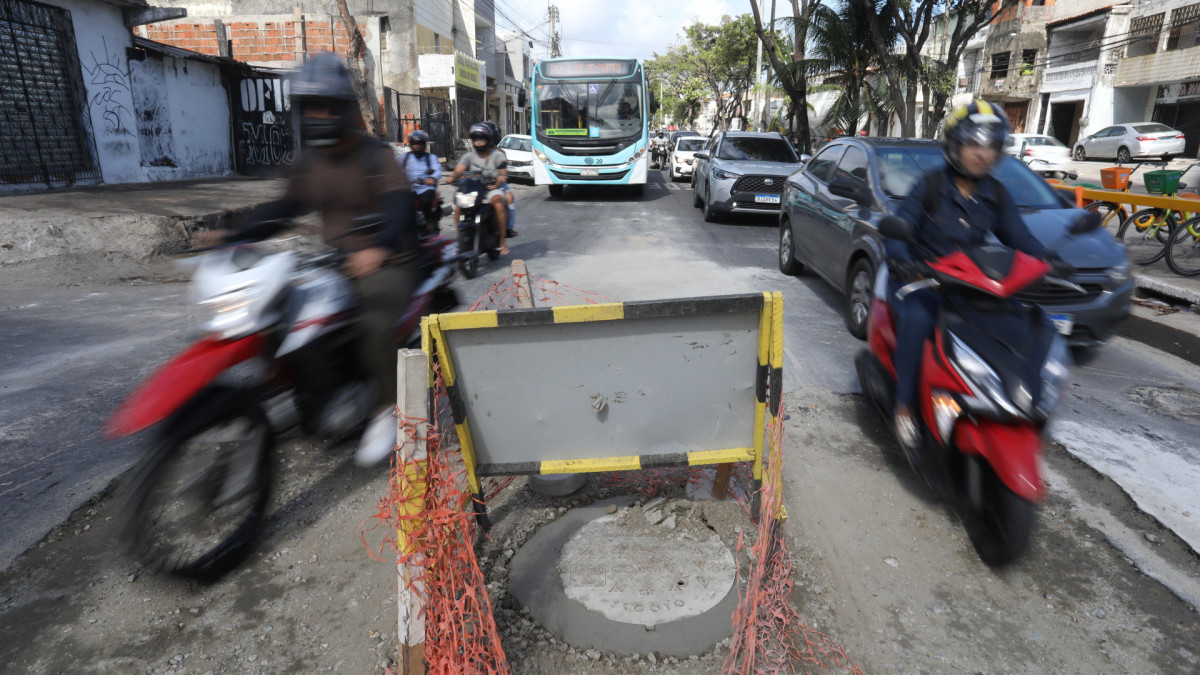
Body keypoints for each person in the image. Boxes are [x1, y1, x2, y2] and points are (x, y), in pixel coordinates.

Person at [194, 53, 418, 467]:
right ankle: (319, 393)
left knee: (373, 323)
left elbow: (401, 206)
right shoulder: (310, 160)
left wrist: (379, 247)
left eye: (325, 105)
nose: (317, 114)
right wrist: (235, 234)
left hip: (389, 261)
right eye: (309, 106)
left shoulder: (375, 155)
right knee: (287, 318)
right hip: (334, 261)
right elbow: (284, 209)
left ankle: (386, 409)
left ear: (343, 108)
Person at [884, 99, 1047, 455]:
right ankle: (904, 406)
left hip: (968, 284)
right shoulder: (929, 186)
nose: (983, 153)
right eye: (974, 143)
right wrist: (903, 262)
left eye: (991, 145)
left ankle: (1020, 401)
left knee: (1034, 322)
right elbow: (896, 233)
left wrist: (1050, 261)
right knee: (918, 317)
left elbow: (1020, 239)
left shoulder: (996, 194)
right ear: (955, 144)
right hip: (921, 281)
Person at [445, 122, 511, 255]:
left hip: (491, 189)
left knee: (498, 204)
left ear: (488, 140)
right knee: (458, 206)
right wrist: (452, 177)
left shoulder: (497, 155)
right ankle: (460, 239)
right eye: (476, 139)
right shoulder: (469, 156)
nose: (479, 142)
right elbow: (458, 170)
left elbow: (503, 172)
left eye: (481, 139)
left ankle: (502, 242)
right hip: (473, 191)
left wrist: (500, 178)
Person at [401, 129, 442, 233]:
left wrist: (432, 178)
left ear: (424, 145)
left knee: (425, 200)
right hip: (410, 188)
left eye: (420, 144)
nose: (417, 146)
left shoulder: (431, 157)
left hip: (426, 188)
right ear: (411, 145)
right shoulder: (404, 157)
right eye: (415, 144)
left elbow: (437, 169)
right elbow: (392, 168)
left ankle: (429, 223)